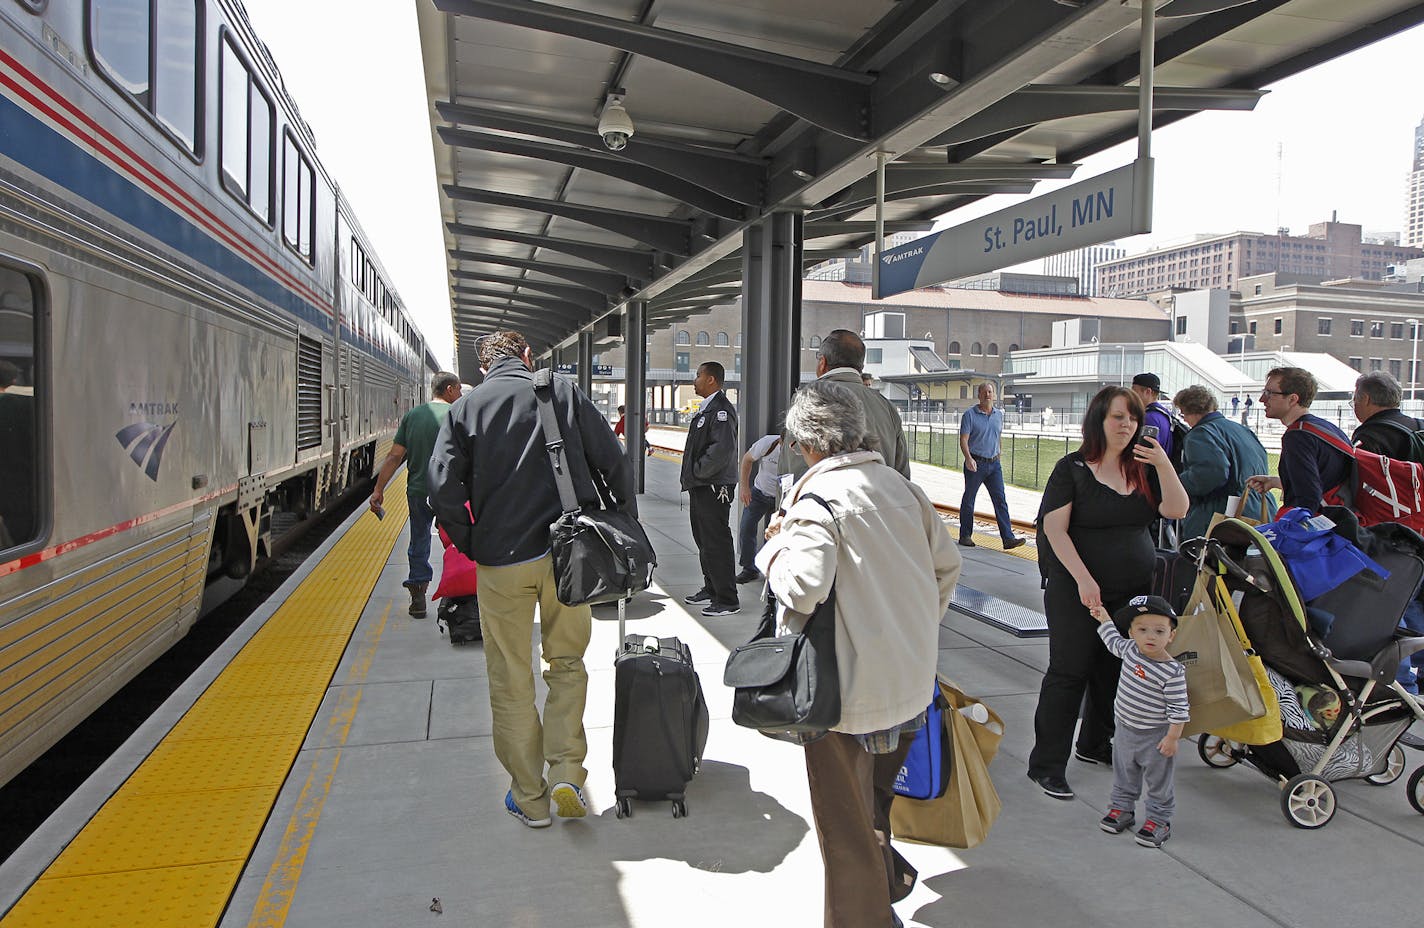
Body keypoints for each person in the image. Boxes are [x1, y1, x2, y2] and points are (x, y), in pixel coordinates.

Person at [756, 380, 960, 928]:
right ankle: (884, 888)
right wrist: (914, 626)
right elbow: (947, 568)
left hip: (845, 693)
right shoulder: (902, 489)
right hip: (909, 683)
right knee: (873, 807)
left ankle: (864, 917)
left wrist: (773, 544)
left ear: (807, 442)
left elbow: (803, 586)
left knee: (844, 826)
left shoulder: (818, 498)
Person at [428, 331, 633, 828]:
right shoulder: (561, 391)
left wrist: (473, 541)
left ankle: (530, 797)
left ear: (482, 368)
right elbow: (614, 458)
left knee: (510, 677)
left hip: (502, 563)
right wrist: (619, 519)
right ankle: (566, 770)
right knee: (567, 663)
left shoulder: (465, 409)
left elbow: (441, 485)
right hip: (570, 557)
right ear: (526, 357)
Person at [1027, 386, 1188, 801]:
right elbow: (1054, 529)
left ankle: (1094, 743)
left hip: (1131, 591)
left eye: (1133, 418)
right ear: (1098, 420)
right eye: (1117, 417)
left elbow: (1176, 510)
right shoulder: (1073, 469)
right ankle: (1047, 765)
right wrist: (1083, 579)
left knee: (1113, 670)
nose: (1126, 425)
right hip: (1076, 588)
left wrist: (1164, 463)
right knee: (1070, 670)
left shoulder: (1144, 470)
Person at [1089, 595, 1189, 849]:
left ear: (1171, 635)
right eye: (1142, 630)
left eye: (1159, 631)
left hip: (1156, 736)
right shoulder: (1131, 650)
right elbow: (1112, 642)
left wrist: (1173, 737)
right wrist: (1105, 619)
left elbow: (1179, 708)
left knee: (1158, 780)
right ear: (1132, 633)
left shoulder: (1172, 671)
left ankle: (1158, 820)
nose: (1150, 637)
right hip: (1124, 727)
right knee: (1124, 771)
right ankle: (1121, 808)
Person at [1349, 371, 1424, 696]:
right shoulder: (1418, 428)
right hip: (1421, 532)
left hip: (1391, 538)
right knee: (1418, 603)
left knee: (1394, 609)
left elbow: (1353, 491)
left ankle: (1400, 685)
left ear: (1365, 399)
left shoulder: (1371, 437)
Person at [370, 371, 463, 617]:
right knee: (458, 541)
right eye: (459, 390)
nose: (461, 394)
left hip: (419, 491)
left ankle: (418, 596)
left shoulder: (413, 416)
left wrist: (379, 489)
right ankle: (460, 592)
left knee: (419, 540)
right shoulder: (458, 413)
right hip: (451, 492)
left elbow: (394, 456)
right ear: (450, 389)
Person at [781, 330, 911, 482]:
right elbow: (902, 473)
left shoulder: (807, 400)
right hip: (882, 501)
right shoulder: (886, 406)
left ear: (822, 363)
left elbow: (791, 469)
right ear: (860, 366)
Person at [1171, 385, 1277, 540]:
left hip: (1222, 517)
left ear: (1189, 410)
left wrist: (1176, 485)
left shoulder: (1200, 433)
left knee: (1208, 562)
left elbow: (1209, 474)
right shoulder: (1242, 430)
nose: (1184, 419)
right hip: (1260, 511)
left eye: (1183, 413)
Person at [1245, 367, 1351, 513]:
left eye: (1270, 393)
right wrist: (1275, 481)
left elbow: (1308, 499)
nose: (1262, 399)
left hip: (1321, 528)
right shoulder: (1327, 429)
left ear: (1293, 399)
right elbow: (1323, 481)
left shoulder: (1298, 437)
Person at [681, 361, 741, 616]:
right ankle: (712, 588)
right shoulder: (706, 409)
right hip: (702, 485)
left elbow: (720, 450)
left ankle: (727, 599)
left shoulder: (721, 411)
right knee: (704, 540)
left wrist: (697, 472)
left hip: (713, 486)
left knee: (716, 541)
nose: (694, 380)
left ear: (711, 380)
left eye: (698, 376)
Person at [956, 382, 1026, 550]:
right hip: (976, 463)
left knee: (1000, 500)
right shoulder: (969, 415)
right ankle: (965, 535)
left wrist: (999, 456)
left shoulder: (998, 415)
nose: (987, 395)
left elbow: (998, 437)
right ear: (979, 395)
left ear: (994, 395)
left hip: (994, 465)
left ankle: (1008, 538)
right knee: (969, 500)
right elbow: (964, 439)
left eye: (990, 392)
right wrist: (968, 458)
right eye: (984, 392)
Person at [735, 433, 781, 584]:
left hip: (781, 499)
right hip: (760, 492)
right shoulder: (769, 443)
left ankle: (772, 569)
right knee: (746, 527)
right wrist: (744, 487)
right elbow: (747, 460)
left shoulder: (799, 452)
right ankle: (749, 568)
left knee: (775, 535)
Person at [1130, 373, 1174, 462]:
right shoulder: (1164, 413)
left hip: (1150, 473)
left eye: (1134, 391)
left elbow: (1143, 455)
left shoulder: (1149, 418)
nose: (1131, 395)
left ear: (1148, 392)